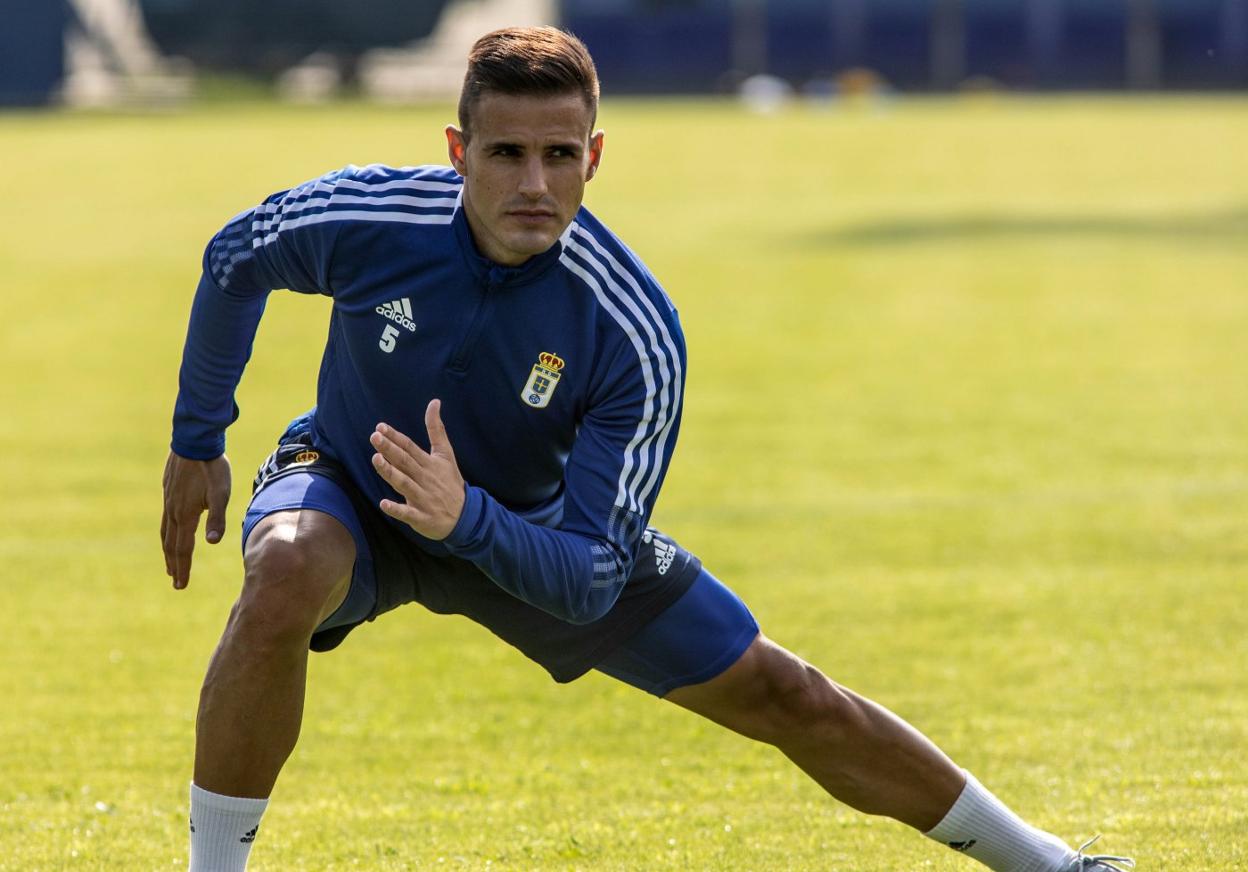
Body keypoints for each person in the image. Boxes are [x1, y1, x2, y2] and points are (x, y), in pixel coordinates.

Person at [161, 26, 1133, 872]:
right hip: (352, 489)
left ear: (595, 156)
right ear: (458, 150)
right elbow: (233, 257)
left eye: (559, 154)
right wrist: (197, 438)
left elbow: (589, 577)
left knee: (786, 692)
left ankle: (1044, 858)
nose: (533, 183)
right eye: (505, 152)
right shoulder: (369, 218)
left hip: (538, 536)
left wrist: (472, 517)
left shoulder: (632, 328)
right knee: (286, 569)